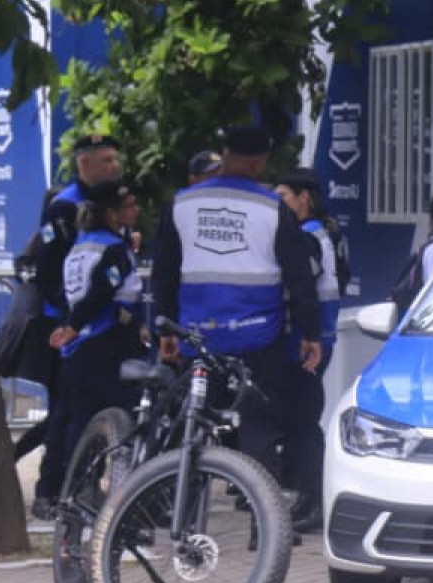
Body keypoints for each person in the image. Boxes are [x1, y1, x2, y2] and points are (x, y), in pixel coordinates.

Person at [151, 125, 321, 484]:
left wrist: (162, 327)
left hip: (196, 337)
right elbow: (299, 276)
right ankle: (266, 527)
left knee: (189, 424)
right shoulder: (272, 207)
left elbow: (164, 272)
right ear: (260, 163)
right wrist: (311, 333)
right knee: (258, 432)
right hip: (257, 339)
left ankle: (174, 509)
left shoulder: (183, 203)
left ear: (224, 155)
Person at [26, 131, 126, 515]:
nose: (113, 167)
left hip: (99, 329)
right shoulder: (65, 207)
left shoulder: (109, 205)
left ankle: (86, 486)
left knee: (92, 412)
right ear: (84, 164)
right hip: (66, 329)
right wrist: (70, 320)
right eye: (106, 161)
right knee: (66, 413)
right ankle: (51, 490)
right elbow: (49, 270)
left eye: (116, 161)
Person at [47, 181, 145, 462]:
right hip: (107, 340)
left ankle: (68, 491)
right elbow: (103, 290)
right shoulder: (114, 249)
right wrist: (72, 325)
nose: (136, 211)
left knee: (78, 420)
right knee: (119, 415)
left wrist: (70, 325)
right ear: (112, 214)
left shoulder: (80, 247)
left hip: (81, 344)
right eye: (129, 207)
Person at [277, 167, 349, 532]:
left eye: (284, 196)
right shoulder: (323, 233)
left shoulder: (307, 237)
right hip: (315, 337)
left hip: (309, 341)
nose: (279, 204)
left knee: (304, 423)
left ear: (304, 198)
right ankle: (308, 498)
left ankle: (315, 502)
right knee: (300, 421)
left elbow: (299, 285)